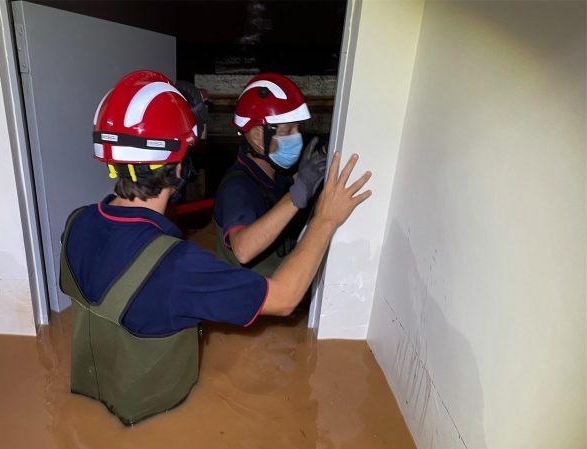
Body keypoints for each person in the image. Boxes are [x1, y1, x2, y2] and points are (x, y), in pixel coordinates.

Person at [60, 70, 372, 426]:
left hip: (91, 398)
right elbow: (284, 298)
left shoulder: (76, 223)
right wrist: (326, 219)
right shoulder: (177, 265)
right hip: (160, 414)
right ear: (179, 166)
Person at [214, 73, 327, 276]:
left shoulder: (274, 174)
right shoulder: (238, 187)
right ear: (258, 136)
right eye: (287, 131)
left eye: (297, 129)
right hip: (248, 304)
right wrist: (296, 196)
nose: (296, 138)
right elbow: (243, 250)